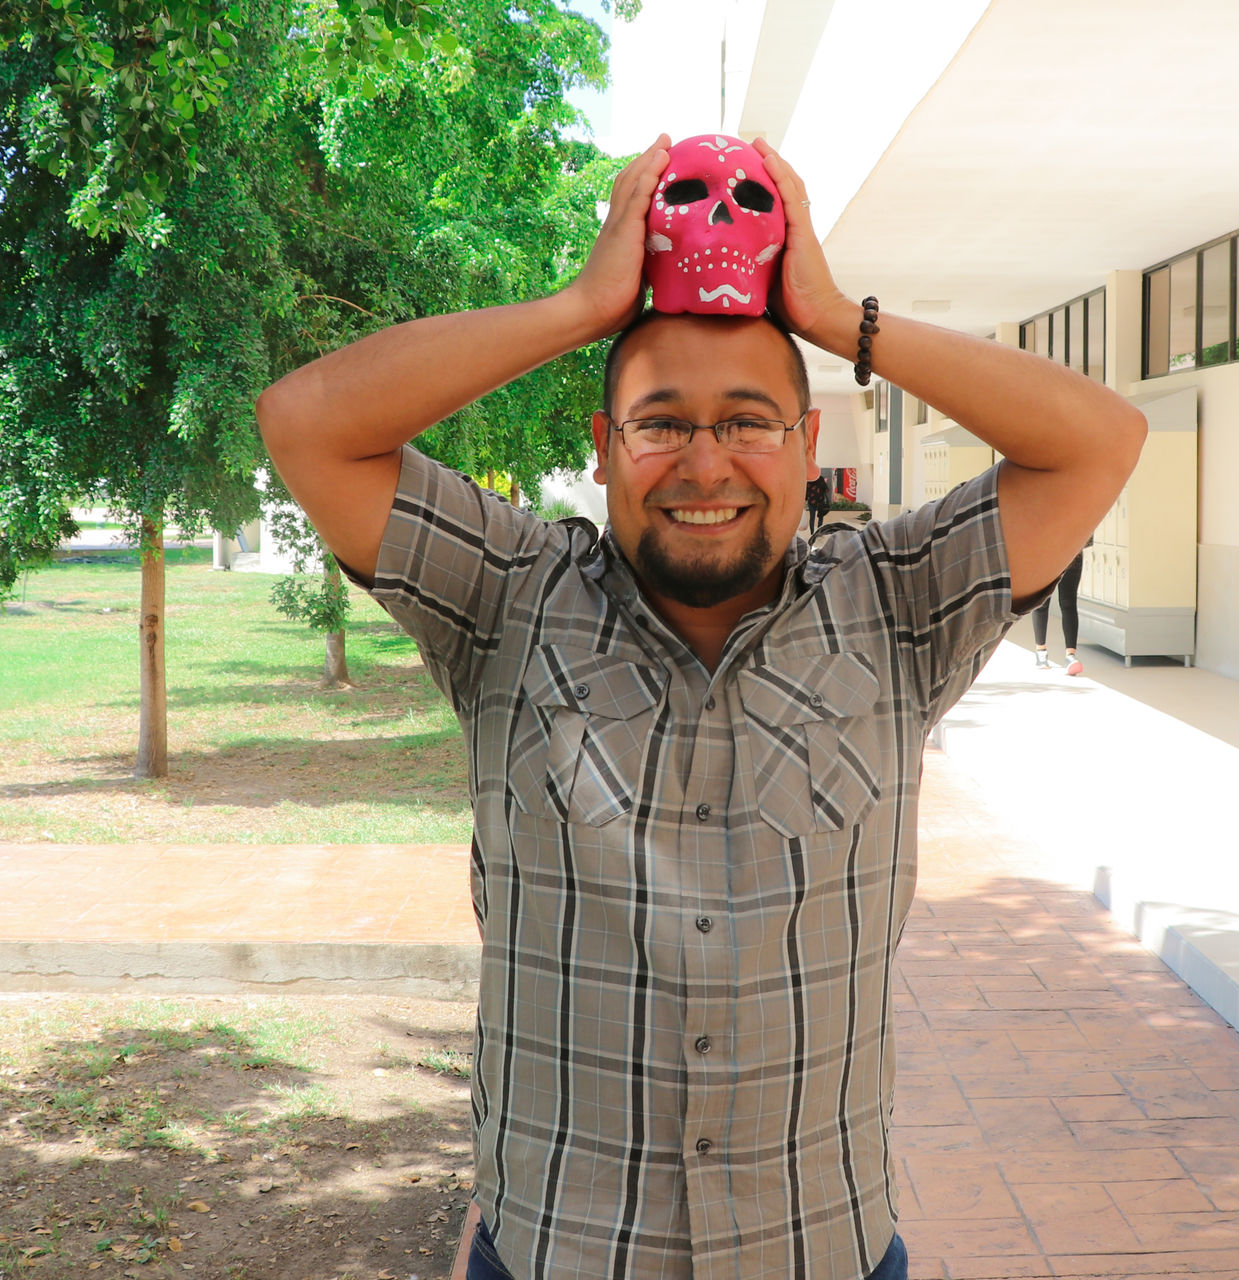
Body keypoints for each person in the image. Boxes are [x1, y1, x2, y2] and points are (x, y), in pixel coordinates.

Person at [256, 133, 1145, 1280]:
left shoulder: (896, 606)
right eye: (662, 421)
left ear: (809, 443)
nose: (706, 461)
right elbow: (307, 422)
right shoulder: (507, 597)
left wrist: (834, 319)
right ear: (607, 448)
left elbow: (1099, 441)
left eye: (748, 420)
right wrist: (584, 307)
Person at [1030, 540, 1087, 675]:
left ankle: (1069, 655)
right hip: (1051, 550)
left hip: (1070, 550)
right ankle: (1042, 652)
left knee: (1066, 602)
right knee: (1045, 601)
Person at [805, 469, 833, 535]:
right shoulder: (820, 479)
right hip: (820, 500)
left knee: (812, 517)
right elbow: (826, 489)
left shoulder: (809, 480)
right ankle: (819, 532)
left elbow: (806, 491)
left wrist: (806, 498)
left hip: (811, 501)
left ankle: (812, 533)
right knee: (820, 516)